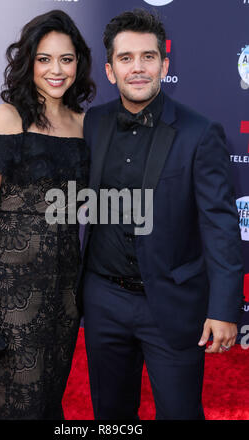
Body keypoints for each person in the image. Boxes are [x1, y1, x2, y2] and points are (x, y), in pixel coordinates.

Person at [78, 9, 244, 420]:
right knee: (111, 414)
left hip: (171, 302)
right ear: (111, 70)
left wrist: (224, 308)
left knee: (180, 412)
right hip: (104, 299)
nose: (138, 67)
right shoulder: (92, 123)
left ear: (164, 65)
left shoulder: (199, 132)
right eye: (126, 58)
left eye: (148, 57)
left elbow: (220, 225)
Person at [0, 9, 95, 420]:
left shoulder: (83, 123)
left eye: (66, 59)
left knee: (49, 395)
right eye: (44, 59)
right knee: (15, 401)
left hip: (65, 291)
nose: (56, 70)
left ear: (79, 64)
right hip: (14, 288)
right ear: (28, 62)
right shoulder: (7, 117)